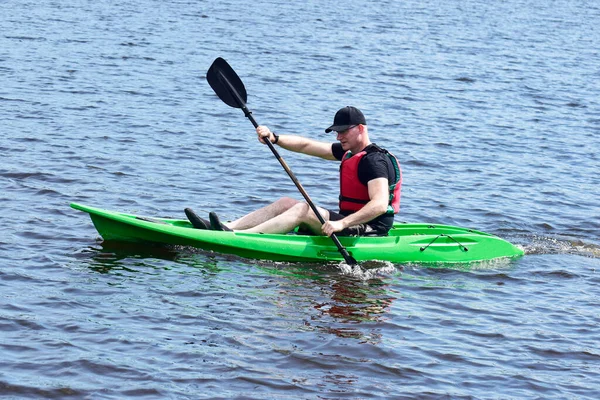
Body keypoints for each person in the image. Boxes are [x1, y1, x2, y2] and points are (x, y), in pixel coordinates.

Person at [186, 106, 402, 237]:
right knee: (287, 203)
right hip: (349, 220)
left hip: (370, 229)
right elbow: (306, 146)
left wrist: (341, 223)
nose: (338, 137)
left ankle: (239, 237)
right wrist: (275, 138)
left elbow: (380, 204)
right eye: (337, 132)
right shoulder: (349, 152)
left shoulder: (374, 161)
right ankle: (226, 227)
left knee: (303, 210)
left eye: (343, 131)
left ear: (361, 129)